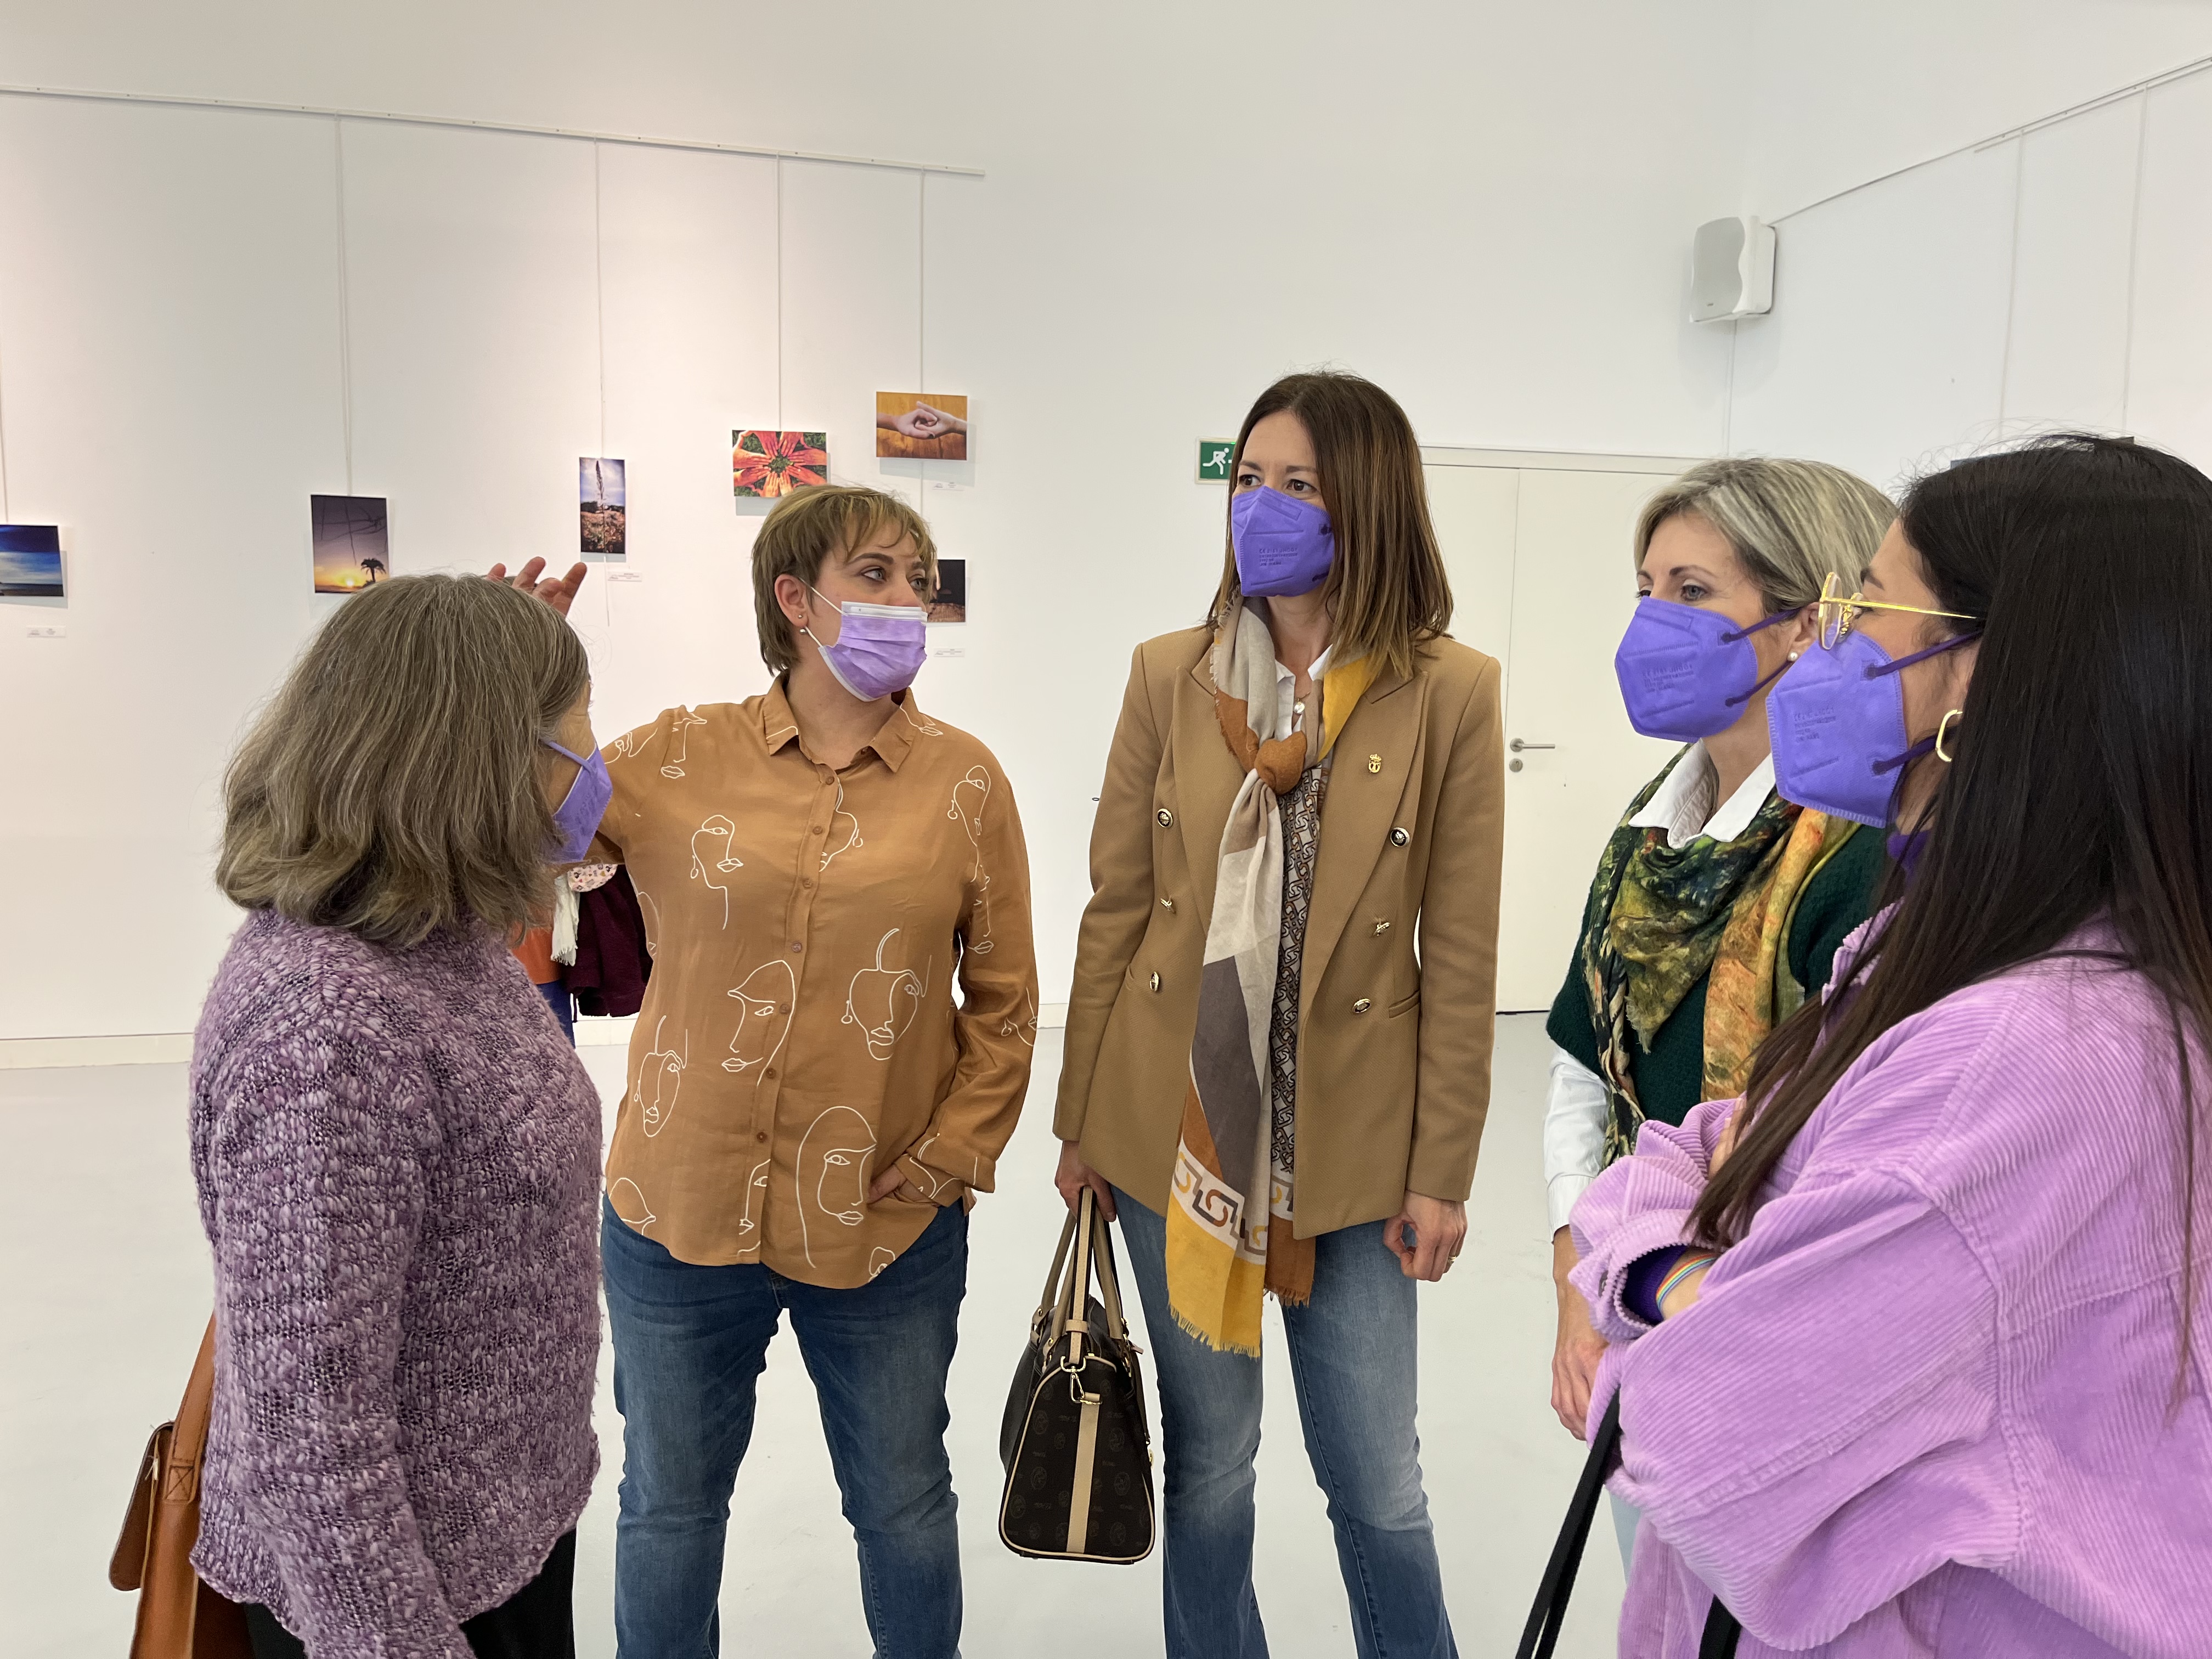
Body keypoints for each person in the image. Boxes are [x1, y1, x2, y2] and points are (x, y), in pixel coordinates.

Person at [1572, 435, 2212, 1656]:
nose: (1829, 649)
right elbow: (1690, 1143)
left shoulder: (2028, 1059)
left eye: (1860, 609)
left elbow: (1698, 1428)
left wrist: (1656, 1289)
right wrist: (1683, 1274)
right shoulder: (1951, 949)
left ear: (1989, 677)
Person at [507, 482, 1037, 1659]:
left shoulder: (965, 783)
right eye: (880, 576)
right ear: (796, 600)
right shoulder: (676, 754)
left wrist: (955, 1156)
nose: (911, 603)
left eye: (920, 581)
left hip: (882, 1217)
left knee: (902, 1505)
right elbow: (535, 836)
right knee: (669, 1512)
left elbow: (1004, 1003)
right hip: (677, 1212)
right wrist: (530, 684)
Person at [1054, 369, 1503, 1658]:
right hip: (1179, 1137)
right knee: (1211, 1473)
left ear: (1368, 502)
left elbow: (1460, 955)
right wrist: (1079, 1119)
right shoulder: (1170, 674)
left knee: (1378, 1481)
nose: (1262, 506)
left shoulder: (1450, 692)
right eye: (1247, 479)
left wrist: (1445, 1173)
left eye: (1298, 484)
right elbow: (1117, 910)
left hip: (1355, 1160)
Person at [189, 574, 605, 1658]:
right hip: (392, 1602)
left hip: (491, 1544)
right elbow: (308, 1429)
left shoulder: (438, 941)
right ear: (480, 765)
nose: (595, 770)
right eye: (575, 740)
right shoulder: (327, 1024)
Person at [1542, 459, 1894, 1556]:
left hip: (1776, 1349)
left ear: (1807, 618)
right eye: (1644, 588)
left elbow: (1849, 1168)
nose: (1651, 621)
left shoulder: (1862, 858)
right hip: (1631, 1291)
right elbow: (1583, 1068)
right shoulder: (1652, 828)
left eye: (1692, 593)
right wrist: (1580, 1277)